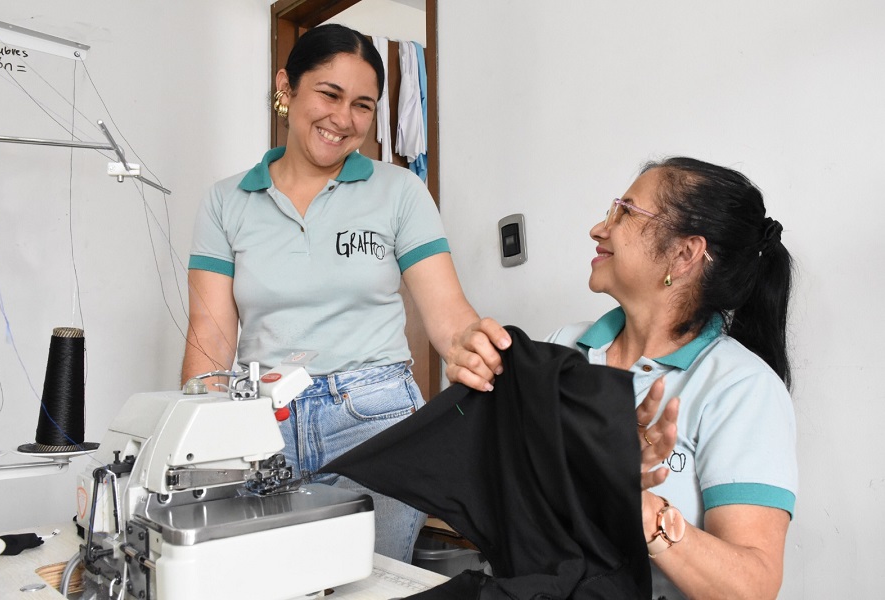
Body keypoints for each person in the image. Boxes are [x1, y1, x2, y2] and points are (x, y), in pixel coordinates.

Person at [182, 23, 481, 562]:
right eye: (329, 93)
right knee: (259, 581)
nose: (344, 120)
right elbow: (210, 337)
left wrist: (476, 348)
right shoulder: (225, 202)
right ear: (287, 86)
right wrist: (194, 438)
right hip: (258, 425)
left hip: (374, 419)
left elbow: (449, 316)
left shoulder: (400, 191)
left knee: (366, 584)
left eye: (363, 105)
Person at [446, 157, 797, 600]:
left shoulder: (741, 388)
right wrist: (473, 385)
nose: (598, 228)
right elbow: (494, 481)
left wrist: (638, 507)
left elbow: (753, 587)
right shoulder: (562, 347)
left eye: (625, 212)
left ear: (684, 253)